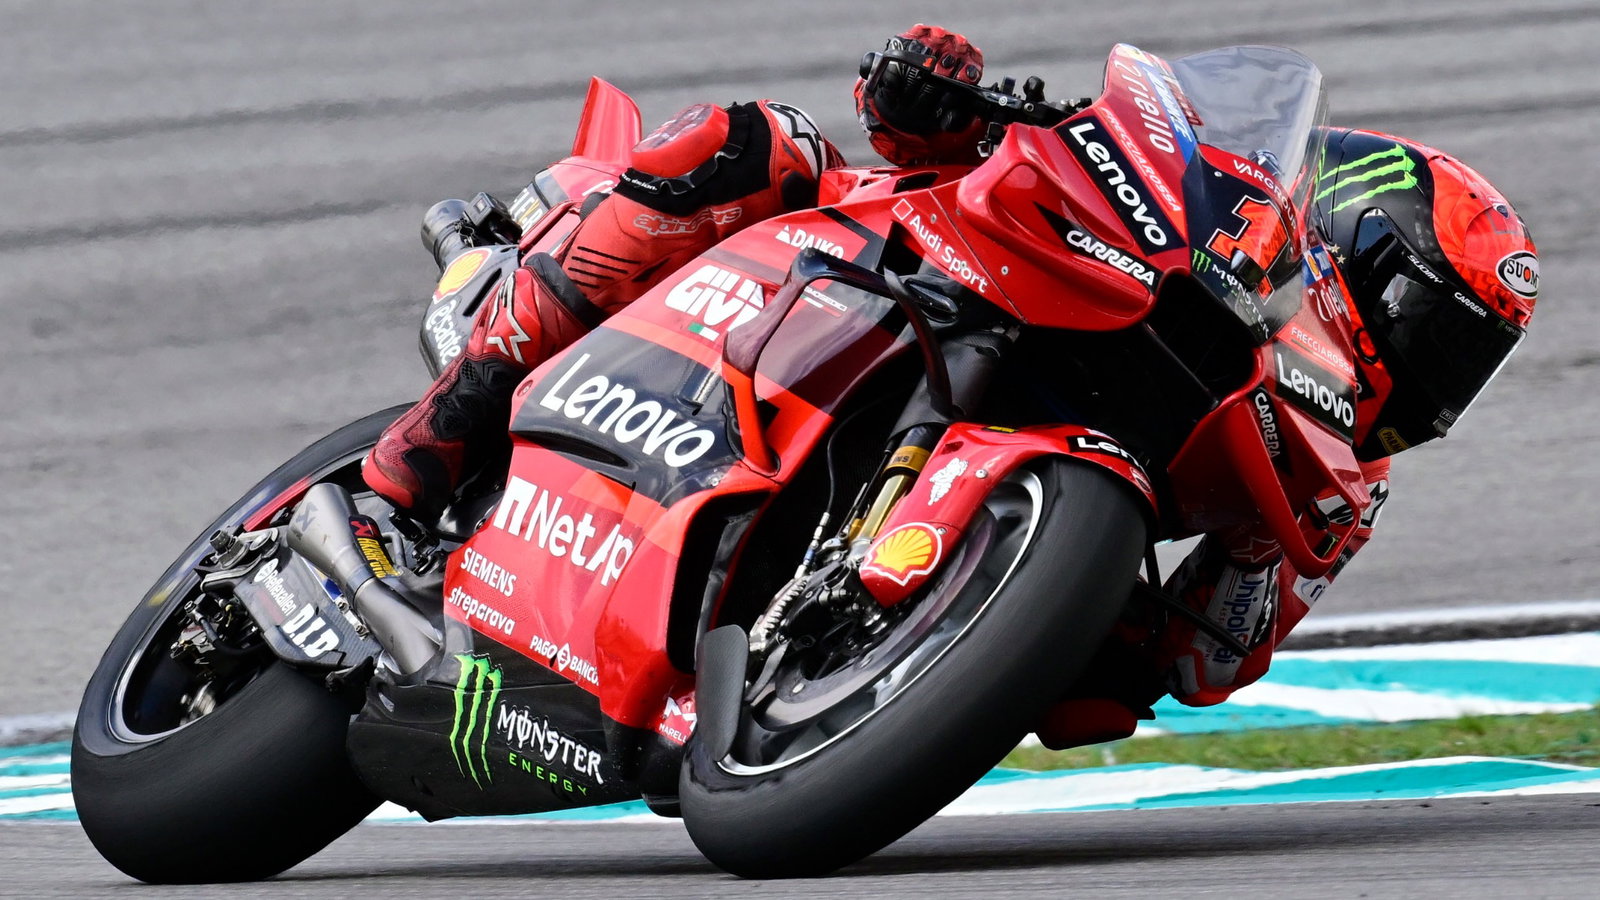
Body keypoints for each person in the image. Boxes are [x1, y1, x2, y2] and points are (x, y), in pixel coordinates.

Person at [360, 28, 1539, 747]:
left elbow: (1208, 661)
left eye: (1464, 362)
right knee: (754, 139)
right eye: (1435, 331)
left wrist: (1087, 636)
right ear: (1348, 245)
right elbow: (936, 143)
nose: (1438, 379)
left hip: (994, 508)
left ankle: (816, 666)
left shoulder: (1332, 488)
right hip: (838, 266)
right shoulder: (1175, 212)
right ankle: (418, 457)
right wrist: (934, 92)